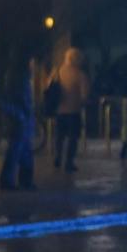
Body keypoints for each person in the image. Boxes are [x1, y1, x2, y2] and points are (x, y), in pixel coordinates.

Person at [0, 51, 37, 191]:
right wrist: (22, 115)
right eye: (31, 63)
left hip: (20, 118)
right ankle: (14, 180)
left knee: (22, 150)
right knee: (17, 150)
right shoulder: (19, 79)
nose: (33, 66)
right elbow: (19, 100)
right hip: (20, 119)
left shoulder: (16, 78)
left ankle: (23, 180)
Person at [49, 45, 91, 173]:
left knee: (59, 137)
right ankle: (69, 161)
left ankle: (57, 157)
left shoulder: (57, 71)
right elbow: (85, 94)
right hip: (74, 111)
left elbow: (49, 86)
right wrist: (83, 103)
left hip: (59, 110)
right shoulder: (80, 75)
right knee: (73, 137)